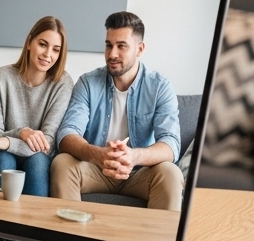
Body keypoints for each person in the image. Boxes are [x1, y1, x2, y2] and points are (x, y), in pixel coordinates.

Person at [50, 12, 185, 211]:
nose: (112, 54)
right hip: (96, 169)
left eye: (121, 46)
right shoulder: (87, 83)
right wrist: (97, 154)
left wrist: (134, 157)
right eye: (108, 45)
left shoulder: (160, 87)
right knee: (62, 163)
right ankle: (69, 230)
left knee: (171, 173)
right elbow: (67, 133)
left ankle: (156, 234)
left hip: (139, 173)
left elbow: (171, 144)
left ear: (139, 49)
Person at [0, 16, 73, 198]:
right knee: (5, 158)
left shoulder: (62, 83)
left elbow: (46, 144)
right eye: (43, 44)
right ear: (29, 42)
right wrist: (21, 132)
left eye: (56, 50)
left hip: (36, 160)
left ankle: (33, 218)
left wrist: (7, 141)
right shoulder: (2, 77)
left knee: (38, 160)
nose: (48, 54)